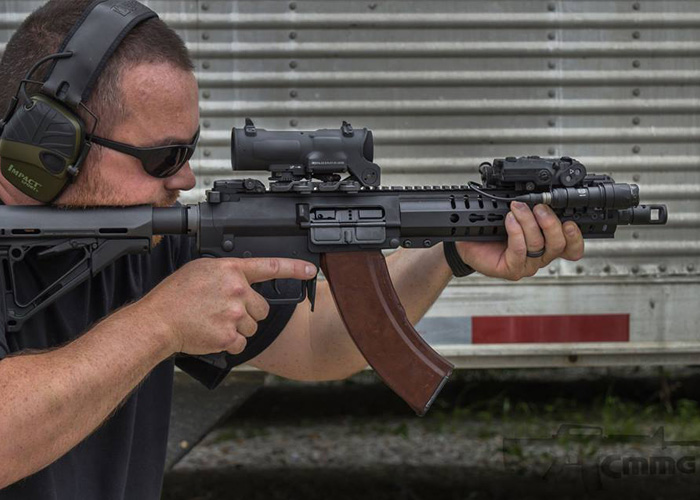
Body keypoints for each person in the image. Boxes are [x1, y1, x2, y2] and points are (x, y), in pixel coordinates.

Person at [0, 0, 584, 497]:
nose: (184, 178)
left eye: (189, 149)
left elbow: (315, 345)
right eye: (163, 157)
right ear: (48, 147)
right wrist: (158, 324)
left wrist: (450, 253)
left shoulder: (150, 237)